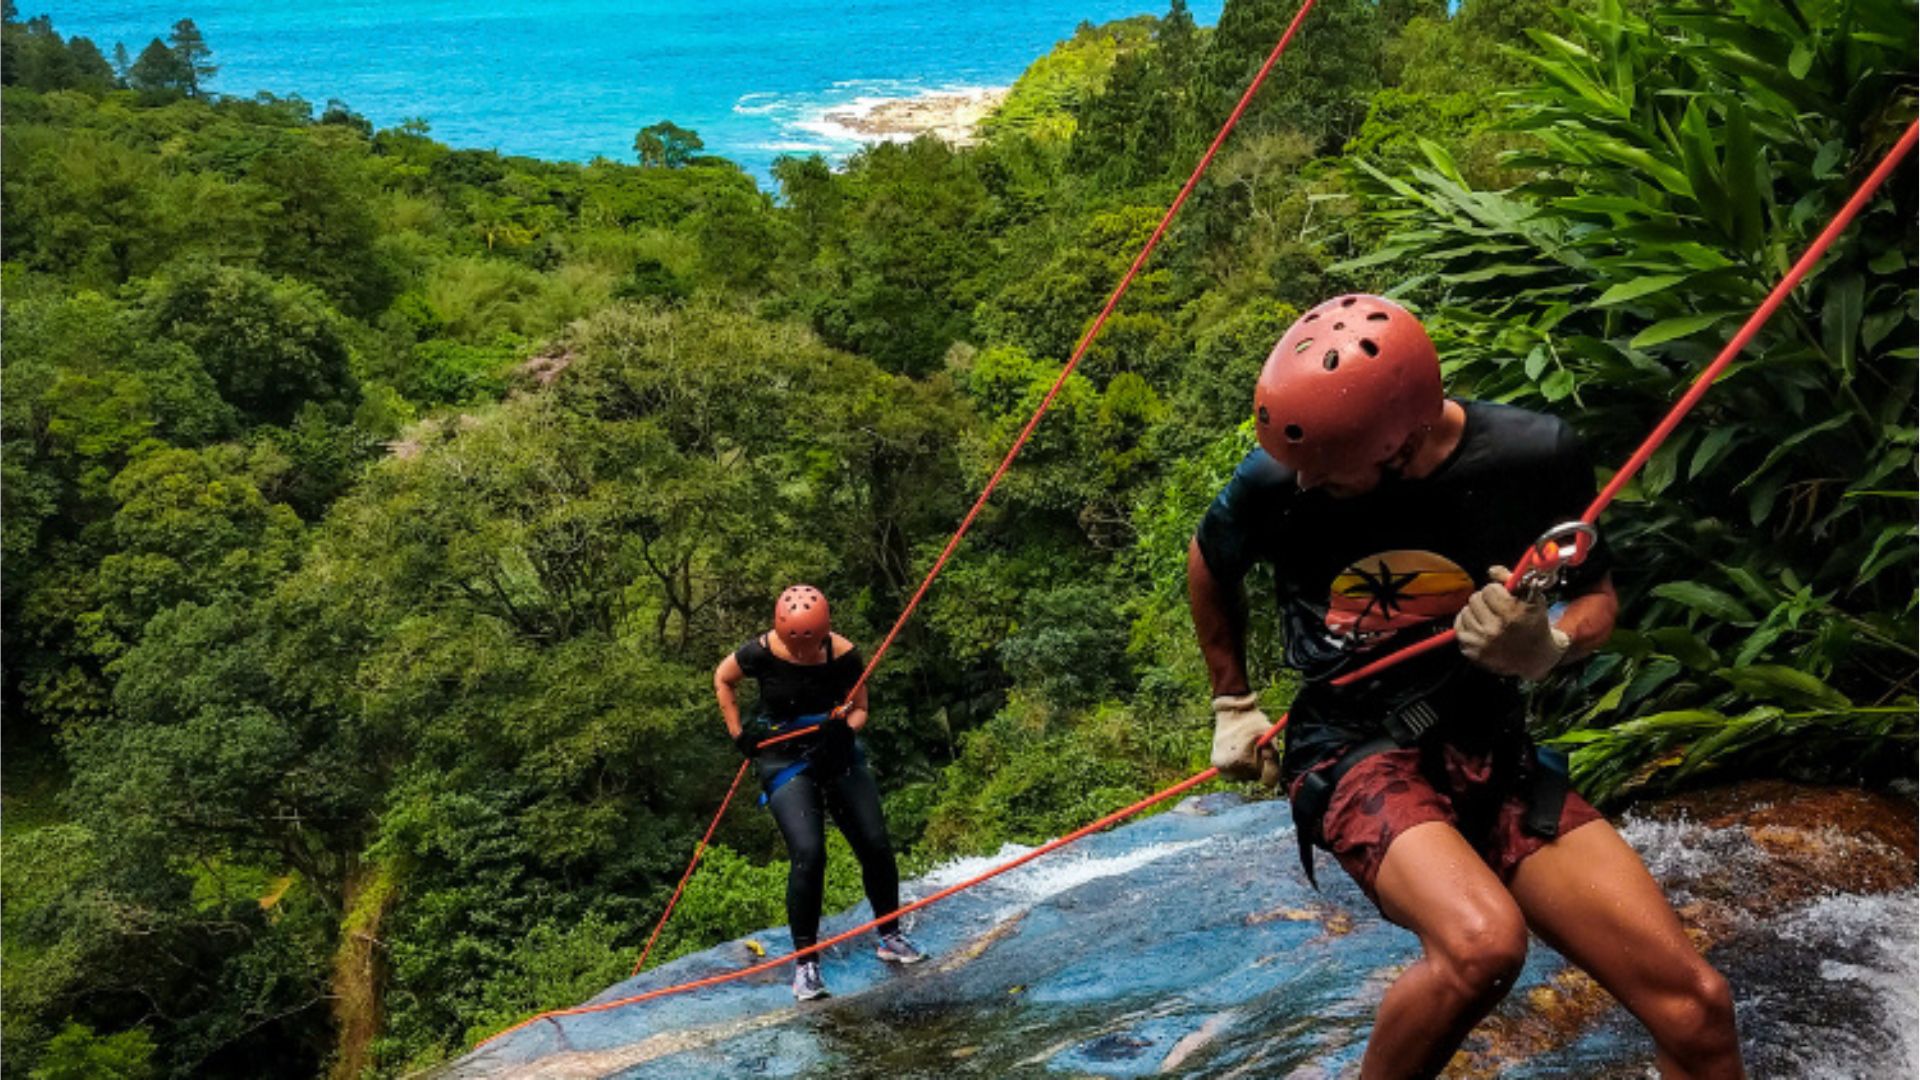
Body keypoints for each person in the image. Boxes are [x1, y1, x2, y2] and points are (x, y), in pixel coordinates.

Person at [1187, 295, 1743, 1078]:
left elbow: (1596, 600)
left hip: (1490, 744)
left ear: (1404, 445)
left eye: (1329, 475)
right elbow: (1212, 561)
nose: (1305, 484)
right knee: (1483, 944)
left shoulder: (1531, 458)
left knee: (1698, 1010)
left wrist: (1544, 645)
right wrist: (1232, 701)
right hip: (1352, 745)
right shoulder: (1281, 477)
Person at [714, 584, 926, 1001]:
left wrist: (844, 730)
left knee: (876, 843)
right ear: (780, 632)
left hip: (834, 750)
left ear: (824, 632)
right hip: (782, 757)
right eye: (794, 644)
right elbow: (723, 679)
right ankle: (806, 964)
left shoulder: (844, 654)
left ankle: (890, 935)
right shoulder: (757, 653)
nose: (801, 653)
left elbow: (861, 708)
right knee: (809, 854)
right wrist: (739, 733)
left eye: (809, 644)